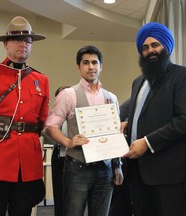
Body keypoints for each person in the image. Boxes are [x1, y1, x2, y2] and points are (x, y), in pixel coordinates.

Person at [123, 22, 186, 216]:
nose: (151, 51)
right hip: (138, 171)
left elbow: (185, 120)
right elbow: (143, 115)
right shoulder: (138, 82)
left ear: (167, 46)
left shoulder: (184, 77)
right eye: (145, 47)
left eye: (155, 45)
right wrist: (127, 124)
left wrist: (148, 142)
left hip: (170, 173)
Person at [0, 16, 49, 216]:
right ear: (5, 44)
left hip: (27, 161)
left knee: (23, 211)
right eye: (17, 40)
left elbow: (43, 120)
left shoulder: (40, 80)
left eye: (28, 41)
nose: (23, 44)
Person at [45, 45, 123, 216]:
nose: (91, 67)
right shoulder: (68, 94)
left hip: (106, 168)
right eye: (85, 62)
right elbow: (50, 126)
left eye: (95, 62)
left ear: (101, 66)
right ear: (78, 67)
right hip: (77, 167)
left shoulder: (111, 97)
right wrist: (68, 142)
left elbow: (115, 134)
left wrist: (118, 166)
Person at [43, 85, 69, 216]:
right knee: (58, 192)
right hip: (57, 154)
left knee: (70, 194)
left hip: (71, 157)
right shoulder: (52, 117)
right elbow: (45, 132)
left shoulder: (75, 115)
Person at [109, 98, 133, 216]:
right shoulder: (133, 101)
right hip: (124, 157)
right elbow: (117, 124)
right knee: (121, 202)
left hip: (129, 157)